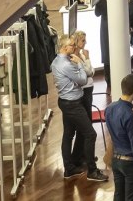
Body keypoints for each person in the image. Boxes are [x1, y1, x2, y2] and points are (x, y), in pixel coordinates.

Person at [51, 34, 106, 182]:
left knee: (68, 135)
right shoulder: (67, 64)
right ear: (63, 47)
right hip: (73, 104)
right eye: (71, 45)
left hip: (65, 101)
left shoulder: (56, 62)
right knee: (90, 134)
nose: (74, 47)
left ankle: (69, 168)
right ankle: (92, 171)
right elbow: (82, 80)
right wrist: (80, 64)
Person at [106, 74, 133, 201]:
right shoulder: (130, 115)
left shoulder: (109, 108)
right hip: (130, 164)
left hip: (116, 161)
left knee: (119, 197)